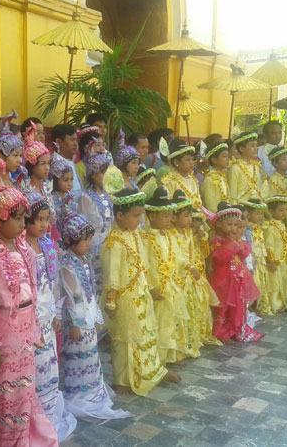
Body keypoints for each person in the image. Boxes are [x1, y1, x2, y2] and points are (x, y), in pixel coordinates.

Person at [0, 185, 58, 447]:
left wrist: (34, 329)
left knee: (24, 389)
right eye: (17, 218)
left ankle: (25, 438)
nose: (23, 224)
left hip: (24, 330)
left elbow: (30, 291)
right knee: (5, 391)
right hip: (4, 332)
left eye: (23, 218)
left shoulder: (24, 251)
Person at [101, 188, 180, 396]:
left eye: (140, 215)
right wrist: (111, 302)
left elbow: (143, 264)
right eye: (135, 216)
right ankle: (123, 380)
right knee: (124, 339)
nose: (139, 220)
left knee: (146, 333)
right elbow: (111, 276)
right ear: (120, 215)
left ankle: (153, 371)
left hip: (141, 293)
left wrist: (150, 287)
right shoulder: (113, 243)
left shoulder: (135, 235)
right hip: (124, 298)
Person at [58, 209, 130, 420]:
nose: (89, 243)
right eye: (84, 240)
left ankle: (92, 392)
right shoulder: (67, 265)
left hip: (87, 316)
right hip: (77, 320)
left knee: (91, 356)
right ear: (71, 240)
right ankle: (79, 395)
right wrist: (74, 323)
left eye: (90, 239)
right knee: (79, 358)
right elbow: (70, 297)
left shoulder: (84, 260)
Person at [23, 191, 77, 441]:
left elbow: (53, 282)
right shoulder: (21, 248)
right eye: (39, 219)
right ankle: (35, 421)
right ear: (25, 220)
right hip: (30, 320)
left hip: (47, 317)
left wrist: (56, 311)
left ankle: (49, 415)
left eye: (47, 219)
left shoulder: (47, 245)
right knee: (35, 370)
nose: (44, 225)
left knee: (49, 368)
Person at [171, 191, 221, 354]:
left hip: (194, 277)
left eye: (190, 217)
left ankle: (195, 339)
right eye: (186, 216)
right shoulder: (172, 235)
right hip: (181, 278)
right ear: (174, 217)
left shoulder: (188, 234)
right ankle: (182, 346)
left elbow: (203, 253)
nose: (190, 220)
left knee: (196, 308)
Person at [144, 188, 188, 364]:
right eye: (165, 216)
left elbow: (178, 257)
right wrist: (150, 287)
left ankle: (172, 353)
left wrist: (189, 266)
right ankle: (159, 358)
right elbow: (144, 266)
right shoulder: (146, 239)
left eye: (171, 215)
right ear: (152, 216)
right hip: (157, 287)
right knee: (159, 323)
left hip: (171, 284)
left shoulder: (169, 236)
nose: (170, 219)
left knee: (172, 320)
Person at [208, 202, 264, 343]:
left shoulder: (234, 239)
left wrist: (237, 243)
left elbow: (243, 254)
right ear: (219, 225)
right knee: (224, 307)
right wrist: (231, 243)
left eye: (235, 225)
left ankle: (236, 329)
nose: (233, 228)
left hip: (237, 277)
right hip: (223, 280)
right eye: (229, 225)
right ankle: (222, 333)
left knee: (238, 306)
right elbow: (220, 258)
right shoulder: (216, 240)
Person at [77, 154, 113, 296]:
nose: (106, 176)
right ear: (92, 174)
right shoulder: (85, 197)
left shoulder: (109, 194)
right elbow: (84, 225)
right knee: (97, 287)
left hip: (110, 246)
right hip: (94, 250)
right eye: (103, 172)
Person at [261, 196, 287, 315]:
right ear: (270, 211)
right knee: (274, 283)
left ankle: (283, 302)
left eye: (286, 210)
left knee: (283, 281)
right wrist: (270, 261)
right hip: (275, 260)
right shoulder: (269, 227)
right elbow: (268, 245)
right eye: (281, 210)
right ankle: (274, 304)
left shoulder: (281, 224)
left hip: (283, 259)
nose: (284, 213)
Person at [241, 199, 269, 317]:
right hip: (251, 260)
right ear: (248, 214)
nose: (260, 216)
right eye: (257, 213)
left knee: (260, 282)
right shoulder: (247, 229)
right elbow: (248, 244)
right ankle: (251, 306)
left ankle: (257, 305)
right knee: (253, 283)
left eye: (261, 214)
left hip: (260, 260)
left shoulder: (258, 228)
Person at [159, 140, 202, 209]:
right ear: (176, 162)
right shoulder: (170, 180)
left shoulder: (193, 179)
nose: (192, 163)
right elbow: (169, 204)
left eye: (192, 159)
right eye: (188, 160)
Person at [228, 132, 262, 204]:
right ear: (242, 149)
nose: (256, 149)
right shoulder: (235, 168)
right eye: (252, 146)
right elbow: (232, 195)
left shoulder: (256, 167)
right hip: (241, 209)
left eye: (256, 146)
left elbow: (259, 190)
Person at [51, 124, 82, 200]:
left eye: (76, 140)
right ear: (59, 141)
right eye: (72, 140)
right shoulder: (54, 164)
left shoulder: (70, 162)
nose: (76, 144)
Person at [50, 157, 77, 238]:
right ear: (55, 180)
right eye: (65, 180)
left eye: (71, 179)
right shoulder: (52, 199)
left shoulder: (69, 197)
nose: (70, 183)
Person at [201, 142, 230, 212]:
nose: (228, 159)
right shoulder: (209, 179)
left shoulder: (222, 176)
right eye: (224, 156)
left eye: (228, 156)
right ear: (214, 160)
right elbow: (210, 205)